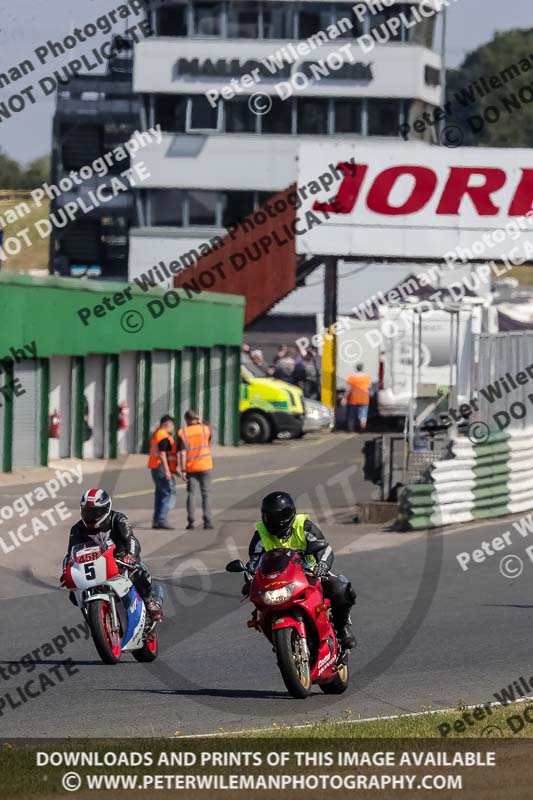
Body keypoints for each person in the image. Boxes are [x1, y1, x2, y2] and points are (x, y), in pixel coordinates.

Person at [246, 491, 356, 649]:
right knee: (257, 605)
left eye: (275, 517)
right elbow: (254, 561)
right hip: (279, 581)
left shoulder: (304, 526)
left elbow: (324, 548)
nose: (270, 521)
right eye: (267, 516)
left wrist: (323, 565)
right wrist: (249, 576)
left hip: (310, 573)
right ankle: (280, 641)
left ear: (287, 515)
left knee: (341, 588)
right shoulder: (260, 535)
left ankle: (342, 627)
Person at [61, 489, 162, 621]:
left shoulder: (118, 519)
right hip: (95, 566)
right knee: (74, 595)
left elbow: (131, 539)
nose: (90, 516)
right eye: (87, 512)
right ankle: (93, 620)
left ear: (106, 509)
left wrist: (130, 555)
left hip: (121, 562)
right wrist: (66, 571)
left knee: (140, 575)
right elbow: (70, 554)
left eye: (95, 512)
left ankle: (149, 601)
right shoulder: (77, 529)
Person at [178, 410, 214, 531]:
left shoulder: (183, 432)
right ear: (196, 418)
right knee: (206, 494)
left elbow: (182, 453)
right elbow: (209, 428)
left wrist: (183, 470)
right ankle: (208, 521)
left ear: (186, 419)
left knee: (191, 494)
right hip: (205, 465)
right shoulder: (205, 429)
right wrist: (200, 421)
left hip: (191, 467)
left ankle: (191, 522)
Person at [148, 414, 184, 530]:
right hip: (161, 468)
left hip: (155, 467)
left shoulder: (157, 434)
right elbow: (162, 454)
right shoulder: (163, 436)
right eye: (171, 425)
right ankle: (162, 520)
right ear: (166, 424)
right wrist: (168, 471)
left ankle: (156, 520)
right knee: (166, 493)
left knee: (160, 493)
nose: (172, 428)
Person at [342, 363, 372, 432]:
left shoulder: (351, 377)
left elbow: (348, 389)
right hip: (364, 398)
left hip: (354, 399)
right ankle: (362, 428)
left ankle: (351, 429)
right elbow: (369, 387)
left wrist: (344, 398)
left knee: (351, 415)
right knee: (363, 415)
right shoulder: (367, 377)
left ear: (356, 369)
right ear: (362, 368)